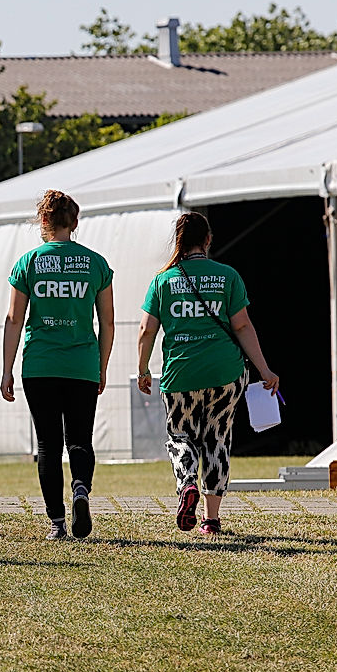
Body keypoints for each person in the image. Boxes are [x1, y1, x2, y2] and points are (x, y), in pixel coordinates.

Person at [136, 212, 279, 535]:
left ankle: (187, 484)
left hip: (180, 374)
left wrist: (143, 369)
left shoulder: (163, 281)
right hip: (225, 373)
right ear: (208, 240)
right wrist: (264, 369)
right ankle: (211, 520)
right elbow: (241, 326)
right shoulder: (227, 276)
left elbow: (146, 330)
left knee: (180, 437)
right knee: (217, 438)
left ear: (178, 242)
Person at [1, 190, 114, 540]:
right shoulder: (95, 263)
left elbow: (13, 318)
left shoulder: (29, 263)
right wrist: (102, 366)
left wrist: (6, 369)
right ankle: (81, 488)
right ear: (75, 222)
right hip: (82, 364)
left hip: (40, 365)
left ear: (44, 222)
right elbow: (107, 322)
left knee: (48, 446)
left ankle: (57, 522)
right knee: (80, 439)